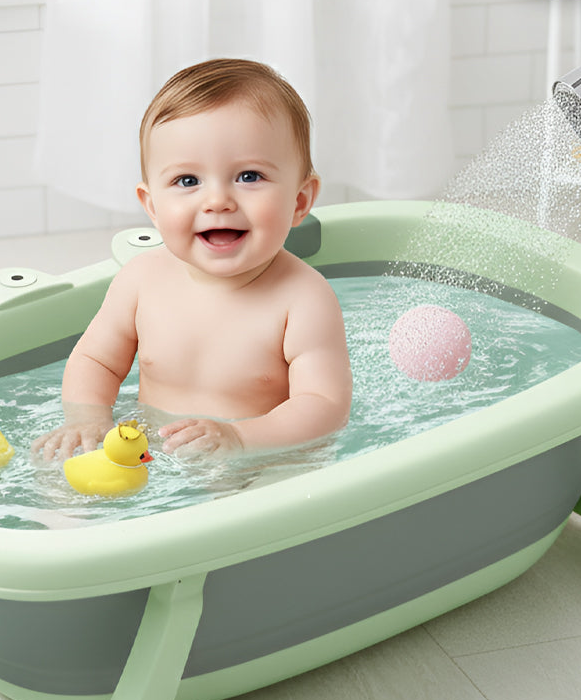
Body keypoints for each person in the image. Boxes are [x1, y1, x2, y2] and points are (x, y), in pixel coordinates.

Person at [32, 58, 352, 463]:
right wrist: (88, 418)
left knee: (279, 497)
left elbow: (324, 404)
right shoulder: (141, 280)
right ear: (152, 205)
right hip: (148, 451)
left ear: (299, 201)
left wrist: (239, 438)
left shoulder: (303, 298)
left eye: (249, 176)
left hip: (259, 457)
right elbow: (95, 360)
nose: (217, 201)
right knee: (60, 481)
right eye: (188, 181)